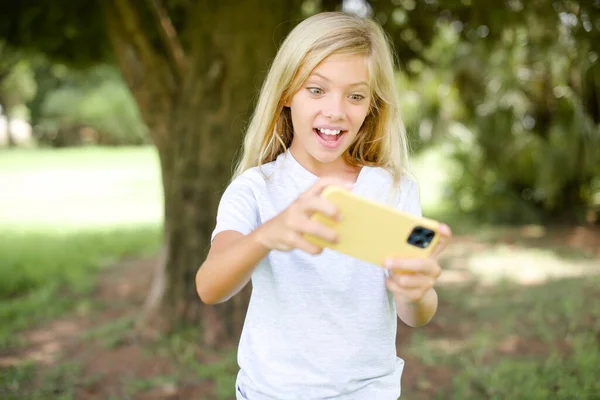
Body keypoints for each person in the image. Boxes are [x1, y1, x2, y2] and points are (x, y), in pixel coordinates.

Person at [195, 11, 452, 400]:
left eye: (355, 95)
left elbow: (416, 314)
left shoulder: (396, 190)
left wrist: (416, 291)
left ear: (372, 105)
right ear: (286, 93)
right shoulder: (254, 190)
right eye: (317, 90)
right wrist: (270, 233)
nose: (336, 111)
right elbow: (210, 286)